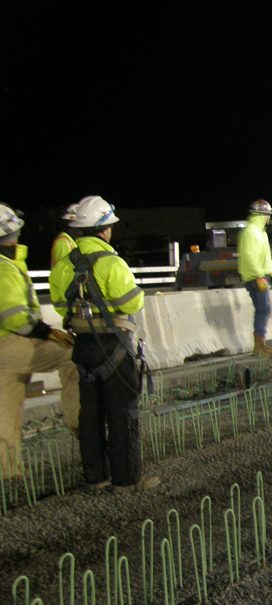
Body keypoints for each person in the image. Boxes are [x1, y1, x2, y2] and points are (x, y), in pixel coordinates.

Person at [49, 196, 157, 492]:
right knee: (123, 413)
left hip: (83, 345)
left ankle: (96, 478)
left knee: (90, 414)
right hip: (114, 346)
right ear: (105, 229)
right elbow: (132, 300)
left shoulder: (63, 265)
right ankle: (126, 480)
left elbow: (60, 305)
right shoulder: (111, 262)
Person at [0, 204, 79, 482]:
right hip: (10, 345)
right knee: (72, 355)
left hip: (5, 354)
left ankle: (9, 475)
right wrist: (47, 332)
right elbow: (15, 319)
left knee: (6, 413)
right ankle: (79, 422)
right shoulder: (4, 268)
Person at [238, 199, 272, 357]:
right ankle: (259, 345)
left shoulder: (260, 233)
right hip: (255, 278)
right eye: (268, 215)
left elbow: (266, 257)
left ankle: (261, 343)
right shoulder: (251, 232)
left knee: (264, 309)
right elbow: (250, 257)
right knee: (263, 309)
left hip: (261, 276)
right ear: (262, 215)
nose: (269, 218)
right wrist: (259, 277)